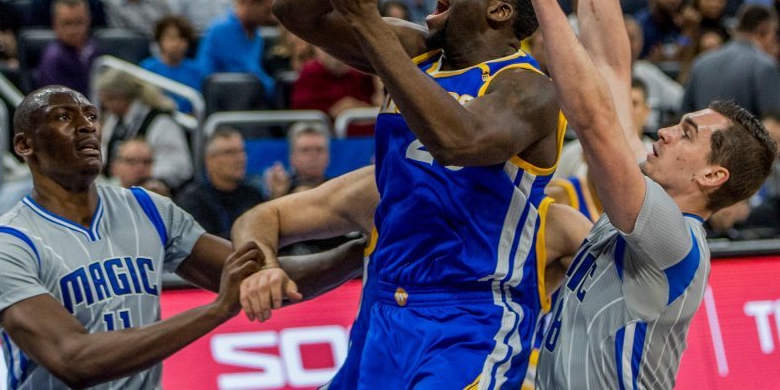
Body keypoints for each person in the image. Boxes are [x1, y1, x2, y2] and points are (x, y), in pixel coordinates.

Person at [266, 0, 569, 387]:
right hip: (384, 303)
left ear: (500, 11)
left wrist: (366, 19)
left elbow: (459, 141)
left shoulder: (529, 89)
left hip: (469, 315)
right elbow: (294, 11)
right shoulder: (415, 51)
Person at [508, 0, 776, 388]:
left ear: (711, 176)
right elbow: (608, 64)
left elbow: (593, 119)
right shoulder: (650, 196)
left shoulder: (673, 240)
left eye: (687, 133)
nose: (665, 131)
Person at [0, 85, 264, 389]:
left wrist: (321, 231)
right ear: (24, 145)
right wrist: (216, 310)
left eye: (91, 116)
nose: (87, 126)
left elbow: (263, 278)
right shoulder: (2, 246)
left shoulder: (147, 208)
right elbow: (74, 360)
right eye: (64, 117)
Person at [235, 163, 591, 387]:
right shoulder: (385, 188)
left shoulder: (550, 223)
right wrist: (265, 265)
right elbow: (264, 217)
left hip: (475, 364)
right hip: (372, 366)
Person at [96, 69, 194, 191]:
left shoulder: (160, 122)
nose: (105, 106)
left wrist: (141, 173)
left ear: (121, 98)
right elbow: (104, 153)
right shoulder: (114, 120)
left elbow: (181, 167)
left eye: (107, 101)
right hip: (116, 188)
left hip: (152, 191)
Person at [682, 4, 780, 118]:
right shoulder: (764, 66)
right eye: (775, 34)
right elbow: (773, 125)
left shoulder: (700, 62)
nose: (775, 42)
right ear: (763, 30)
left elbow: (684, 115)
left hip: (700, 135)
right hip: (741, 136)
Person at [177, 126, 265, 239]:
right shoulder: (193, 200)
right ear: (210, 160)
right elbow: (203, 245)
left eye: (242, 151)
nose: (240, 158)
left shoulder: (253, 195)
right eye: (230, 152)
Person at [196, 0, 278, 99]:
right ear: (250, 1)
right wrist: (277, 89)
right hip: (221, 101)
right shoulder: (222, 30)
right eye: (266, 11)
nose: (272, 18)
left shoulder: (256, 34)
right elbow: (247, 71)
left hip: (246, 97)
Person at [35, 0, 102, 96]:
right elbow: (57, 103)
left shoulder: (94, 48)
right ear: (55, 24)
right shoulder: (53, 58)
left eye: (79, 22)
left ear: (88, 21)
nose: (74, 30)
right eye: (67, 23)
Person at [139, 15, 205, 112]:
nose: (177, 44)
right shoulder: (147, 68)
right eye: (171, 38)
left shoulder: (197, 70)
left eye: (182, 38)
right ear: (160, 40)